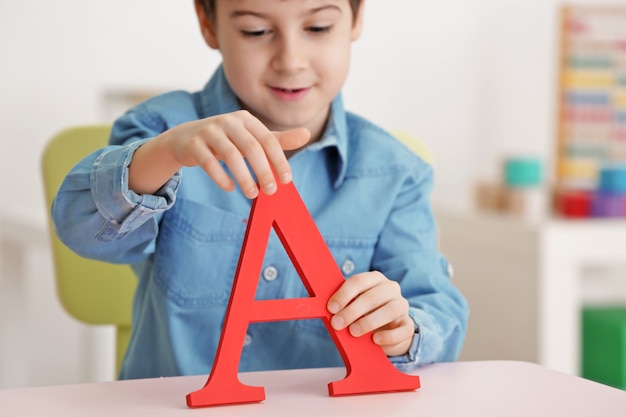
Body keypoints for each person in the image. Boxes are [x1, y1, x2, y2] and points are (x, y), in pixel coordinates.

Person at [52, 0, 468, 380]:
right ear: (208, 23)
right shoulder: (159, 132)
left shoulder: (397, 173)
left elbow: (436, 310)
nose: (290, 61)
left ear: (356, 19)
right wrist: (165, 153)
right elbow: (82, 230)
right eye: (255, 32)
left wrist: (402, 327)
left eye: (319, 27)